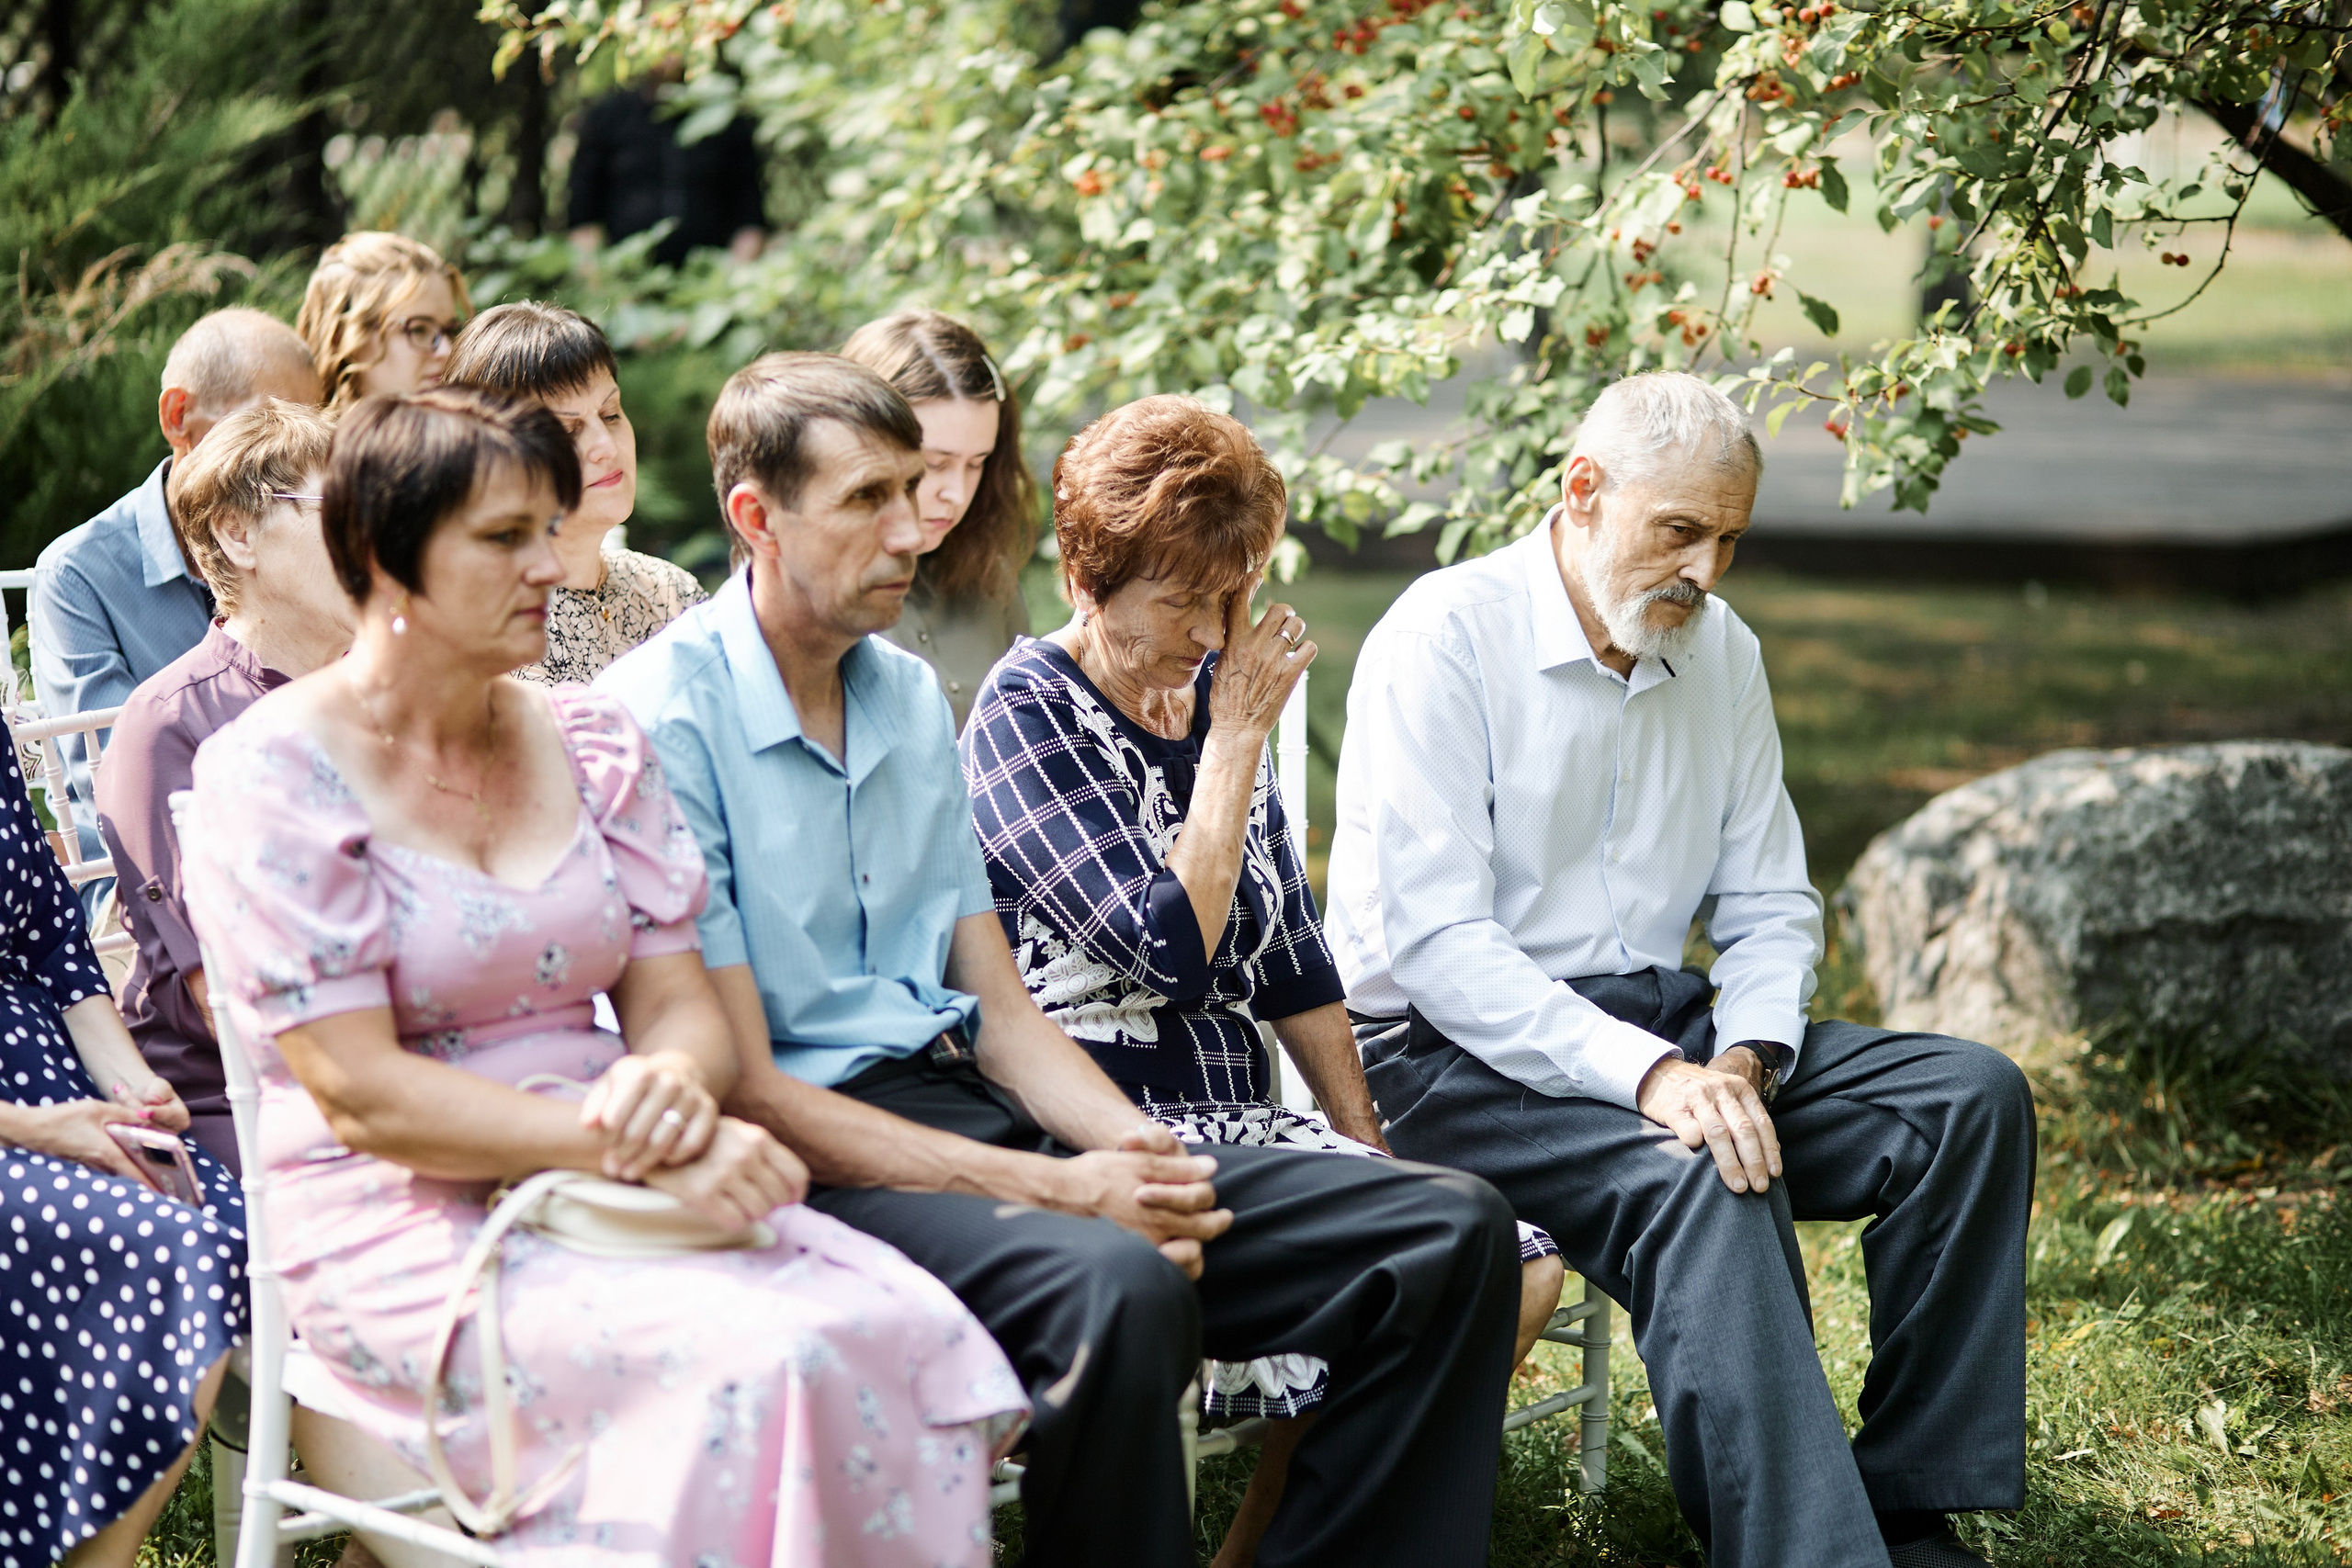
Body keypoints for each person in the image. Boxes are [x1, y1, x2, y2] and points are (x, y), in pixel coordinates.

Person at [600, 352, 1522, 1568]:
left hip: (976, 1104)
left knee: (1450, 1228)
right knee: (1127, 1283)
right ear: (755, 518)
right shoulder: (656, 717)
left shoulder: (906, 698)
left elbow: (999, 1013)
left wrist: (1132, 1151)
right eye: (866, 500)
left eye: (912, 491)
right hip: (813, 1155)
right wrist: (1068, 1189)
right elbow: (750, 1088)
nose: (909, 533)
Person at [178, 387, 1025, 1564]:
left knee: (898, 1325)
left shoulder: (589, 739)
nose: (551, 566)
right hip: (400, 1214)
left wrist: (675, 1080)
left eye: (549, 530)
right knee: (759, 1364)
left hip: (615, 1168)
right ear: (383, 554)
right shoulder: (270, 775)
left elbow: (677, 998)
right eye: (504, 538)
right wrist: (621, 1140)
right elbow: (363, 1092)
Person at [1328, 371, 2036, 1568]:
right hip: (1452, 1055)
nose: (1706, 568)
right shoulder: (1444, 635)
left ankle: (1910, 1506)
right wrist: (1662, 1080)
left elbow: (1768, 899)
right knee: (1705, 1167)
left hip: (1669, 1021)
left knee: (1966, 1097)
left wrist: (1747, 1056)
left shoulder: (1721, 650)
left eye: (1730, 538)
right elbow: (1439, 949)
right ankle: (1810, 1551)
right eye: (1681, 530)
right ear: (1584, 492)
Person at [961, 393, 1567, 1568]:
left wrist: (1363, 1142)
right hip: (1110, 1126)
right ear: (1088, 580)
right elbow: (1161, 946)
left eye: (1232, 591)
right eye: (1183, 596)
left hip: (1251, 1117)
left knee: (1515, 1265)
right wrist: (1233, 742)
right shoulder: (1026, 711)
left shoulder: (1205, 702)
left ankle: (1257, 1553)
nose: (1214, 627)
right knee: (1447, 1264)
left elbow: (1290, 953)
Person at [0, 741, 245, 1568]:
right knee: (180, 1249)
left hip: (60, 1086)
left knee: (241, 1224)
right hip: (21, 1128)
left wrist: (133, 1088)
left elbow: (53, 950)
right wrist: (35, 1130)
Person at [97, 400, 352, 1174]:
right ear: (239, 535)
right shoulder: (170, 724)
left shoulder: (384, 687)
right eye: (338, 506)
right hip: (238, 1093)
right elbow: (226, 997)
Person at [29, 308, 323, 926]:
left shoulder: (309, 547)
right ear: (177, 417)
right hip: (145, 897)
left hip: (311, 853)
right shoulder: (78, 575)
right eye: (263, 425)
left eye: (306, 428)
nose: (291, 457)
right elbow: (124, 785)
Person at [440, 302, 705, 686]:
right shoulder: (467, 635)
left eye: (611, 414)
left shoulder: (669, 593)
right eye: (567, 431)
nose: (605, 447)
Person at [838, 310, 1035, 730]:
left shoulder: (989, 578)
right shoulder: (813, 592)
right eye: (935, 464)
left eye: (976, 464)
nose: (957, 494)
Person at [567, 63, 766, 267]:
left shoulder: (725, 118)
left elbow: (749, 215)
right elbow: (583, 216)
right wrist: (601, 284)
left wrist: (736, 279)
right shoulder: (607, 117)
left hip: (712, 277)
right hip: (627, 277)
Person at [296, 232, 470, 412]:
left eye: (450, 330)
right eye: (418, 329)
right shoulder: (314, 440)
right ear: (340, 338)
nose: (446, 351)